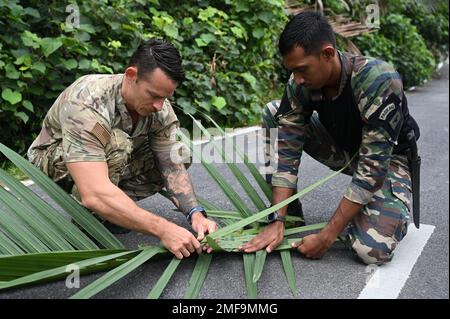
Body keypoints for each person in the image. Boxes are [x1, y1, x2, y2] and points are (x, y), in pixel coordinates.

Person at [240, 11, 420, 265]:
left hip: (388, 162)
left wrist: (326, 236)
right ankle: (289, 215)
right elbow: (286, 152)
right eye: (293, 71)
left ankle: (392, 207)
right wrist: (276, 219)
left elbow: (372, 171)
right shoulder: (300, 82)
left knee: (372, 250)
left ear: (327, 53)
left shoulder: (377, 80)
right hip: (345, 149)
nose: (297, 79)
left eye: (302, 70)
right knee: (274, 113)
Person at [28, 38, 218, 259]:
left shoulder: (160, 108)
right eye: (154, 95)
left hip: (110, 156)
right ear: (131, 76)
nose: (159, 105)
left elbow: (172, 166)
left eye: (166, 97)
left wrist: (196, 214)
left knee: (180, 153)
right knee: (117, 144)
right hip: (55, 159)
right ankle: (89, 219)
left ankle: (115, 210)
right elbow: (93, 193)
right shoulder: (87, 101)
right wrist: (163, 229)